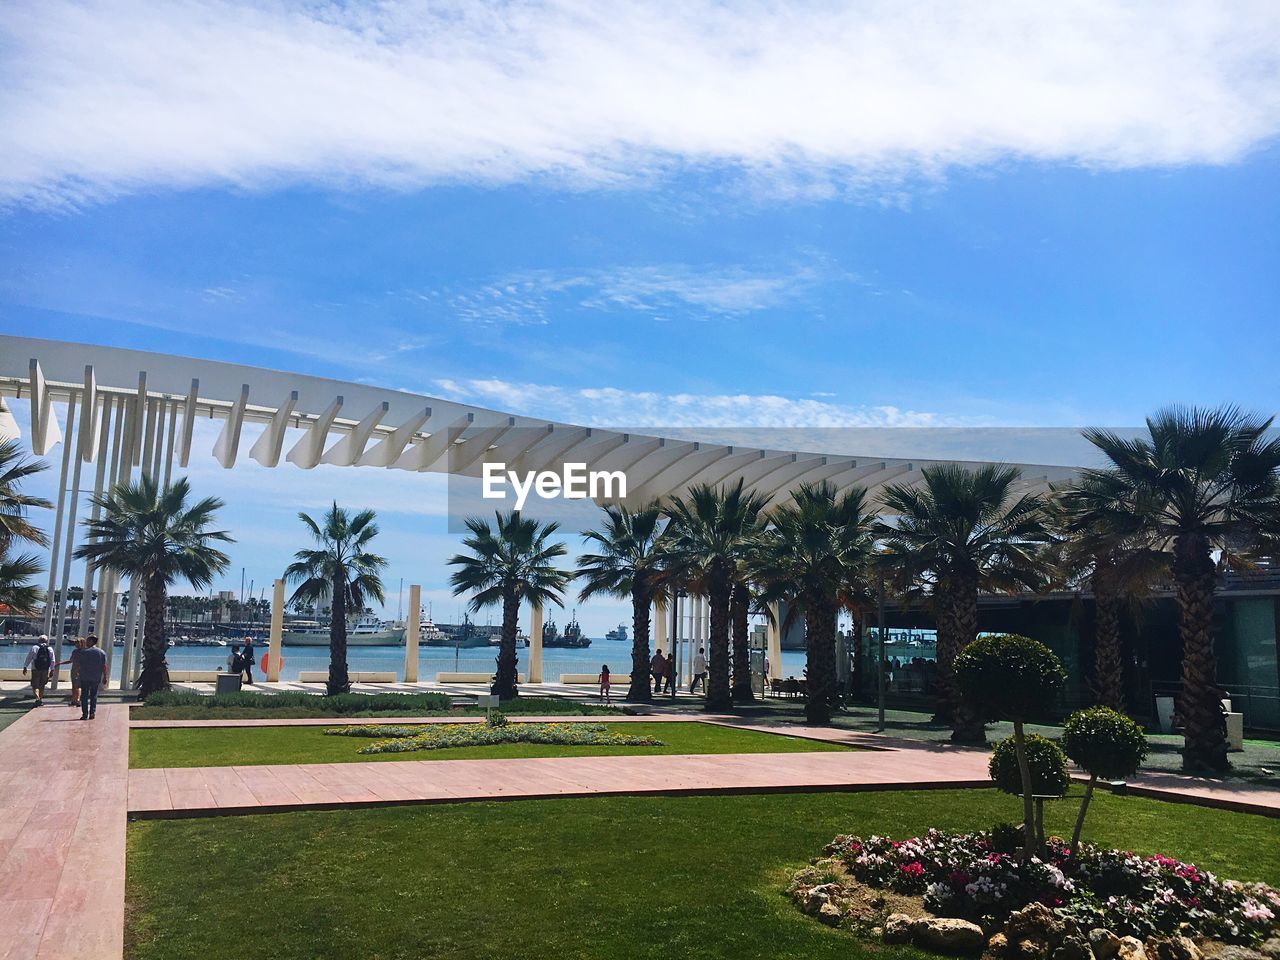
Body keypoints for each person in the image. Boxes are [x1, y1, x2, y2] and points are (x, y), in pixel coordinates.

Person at [75, 635, 108, 720]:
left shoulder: (84, 652)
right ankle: (92, 712)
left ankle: (85, 714)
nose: (86, 643)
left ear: (91, 641)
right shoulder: (102, 653)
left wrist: (78, 673)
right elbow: (104, 666)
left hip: (85, 677)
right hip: (96, 677)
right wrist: (105, 677)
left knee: (84, 696)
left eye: (88, 641)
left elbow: (79, 665)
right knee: (94, 695)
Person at [22, 635, 55, 706]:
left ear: (39, 640)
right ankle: (40, 699)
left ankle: (37, 698)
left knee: (35, 685)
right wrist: (52, 670)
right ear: (46, 641)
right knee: (42, 685)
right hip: (45, 669)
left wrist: (25, 667)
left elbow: (29, 658)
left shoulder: (35, 647)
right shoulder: (50, 648)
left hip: (35, 669)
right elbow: (52, 660)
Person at [59, 637, 85, 708]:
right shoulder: (75, 651)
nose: (76, 644)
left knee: (78, 686)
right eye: (75, 643)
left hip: (80, 671)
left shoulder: (85, 652)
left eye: (77, 643)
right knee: (74, 686)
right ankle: (74, 700)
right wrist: (60, 663)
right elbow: (71, 661)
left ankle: (78, 700)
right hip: (74, 670)